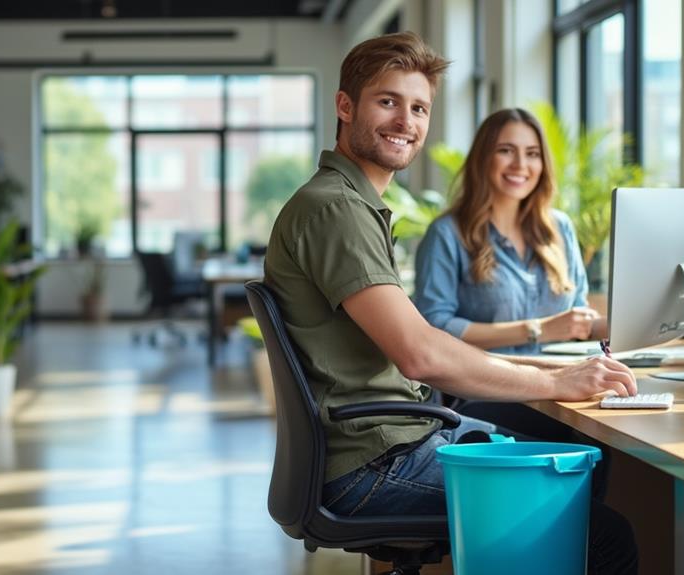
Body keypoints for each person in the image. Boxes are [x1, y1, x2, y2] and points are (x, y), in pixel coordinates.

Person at [263, 32, 638, 574]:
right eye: (387, 101)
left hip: (392, 440)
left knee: (580, 468)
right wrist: (556, 382)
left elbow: (426, 340)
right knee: (603, 533)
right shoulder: (336, 211)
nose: (405, 121)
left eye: (419, 108)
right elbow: (422, 355)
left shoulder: (353, 205)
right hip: (374, 463)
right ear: (345, 106)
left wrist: (556, 366)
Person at [414, 107, 605, 355]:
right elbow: (434, 327)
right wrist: (537, 329)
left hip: (562, 383)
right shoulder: (447, 233)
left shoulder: (560, 227)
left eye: (532, 154)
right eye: (506, 151)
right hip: (487, 390)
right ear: (483, 158)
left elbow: (579, 322)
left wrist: (642, 324)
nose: (521, 164)